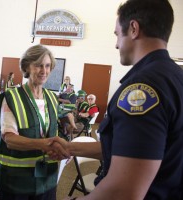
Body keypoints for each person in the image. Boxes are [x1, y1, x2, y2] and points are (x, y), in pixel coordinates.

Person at [51, 0, 183, 199]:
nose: (116, 44)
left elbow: (123, 191)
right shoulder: (175, 77)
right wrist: (70, 148)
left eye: (117, 35)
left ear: (133, 28)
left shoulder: (141, 91)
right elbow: (135, 150)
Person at [0, 44, 69, 199]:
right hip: (17, 181)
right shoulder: (12, 97)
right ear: (27, 67)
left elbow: (52, 132)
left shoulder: (52, 98)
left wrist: (62, 147)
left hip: (47, 178)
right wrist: (45, 144)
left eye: (48, 66)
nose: (44, 71)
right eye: (38, 65)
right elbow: (10, 140)